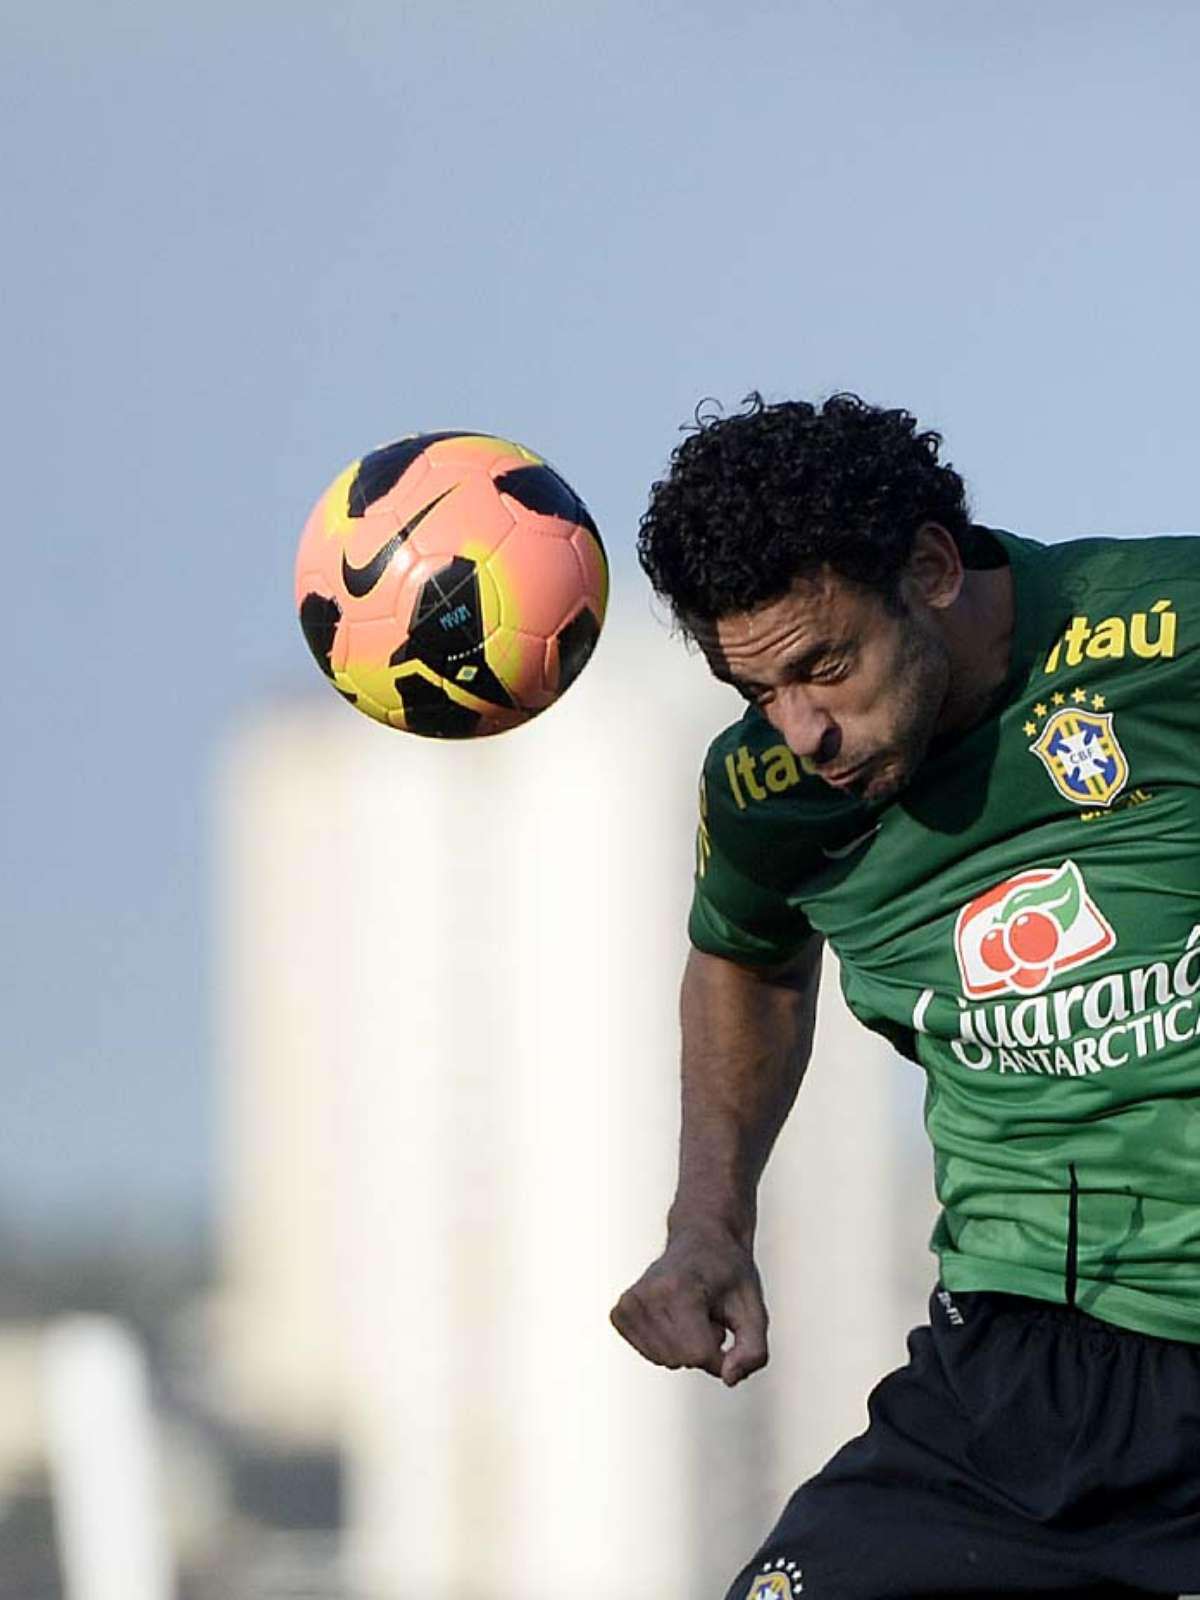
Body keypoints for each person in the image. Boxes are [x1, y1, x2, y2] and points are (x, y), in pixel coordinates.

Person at [609, 393, 1200, 1600]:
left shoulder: (1170, 635)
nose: (804, 728)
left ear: (932, 567)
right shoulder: (769, 792)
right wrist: (710, 1218)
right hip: (1016, 1374)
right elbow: (747, 957)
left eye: (825, 666)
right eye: (756, 689)